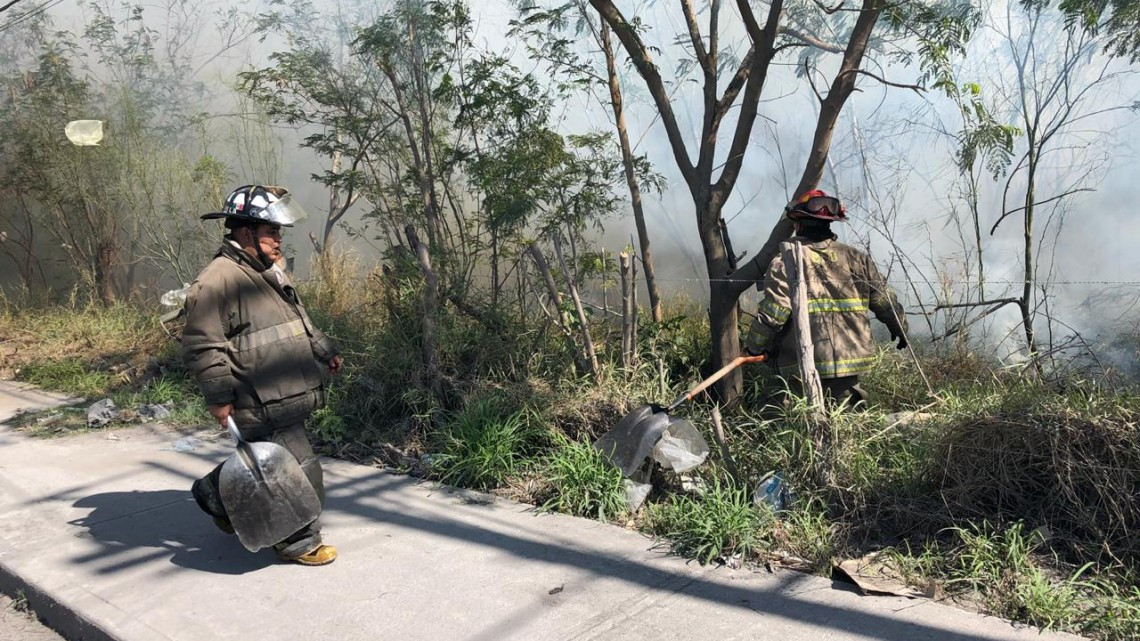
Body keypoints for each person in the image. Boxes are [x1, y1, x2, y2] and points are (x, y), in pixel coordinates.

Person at [183, 184, 343, 566]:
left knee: (273, 465)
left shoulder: (268, 273)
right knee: (298, 472)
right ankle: (298, 541)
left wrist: (325, 350)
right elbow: (204, 345)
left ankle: (214, 493)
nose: (278, 239)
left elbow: (296, 322)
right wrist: (219, 396)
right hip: (257, 398)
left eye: (278, 231)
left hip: (284, 394)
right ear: (244, 233)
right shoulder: (217, 279)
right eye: (271, 231)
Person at [744, 189, 907, 409]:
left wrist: (753, 347)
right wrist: (900, 327)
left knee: (789, 421)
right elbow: (884, 301)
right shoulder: (856, 258)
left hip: (802, 365)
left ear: (798, 223)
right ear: (832, 222)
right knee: (848, 426)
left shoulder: (787, 259)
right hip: (847, 362)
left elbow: (774, 313)